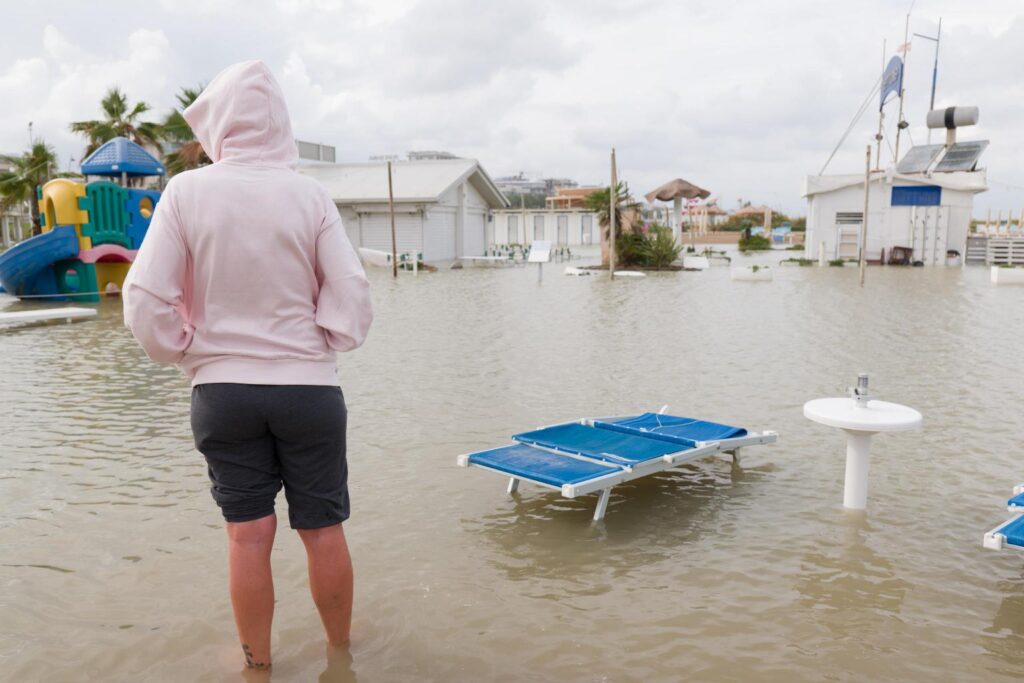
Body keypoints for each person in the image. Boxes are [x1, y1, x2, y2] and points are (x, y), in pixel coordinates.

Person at [122, 60, 372, 672]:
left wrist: (182, 348)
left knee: (247, 536)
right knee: (323, 530)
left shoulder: (185, 192)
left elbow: (143, 297)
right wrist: (327, 338)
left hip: (223, 392)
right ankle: (340, 657)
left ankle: (256, 664)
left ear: (217, 124)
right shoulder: (309, 194)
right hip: (309, 392)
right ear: (280, 124)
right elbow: (353, 295)